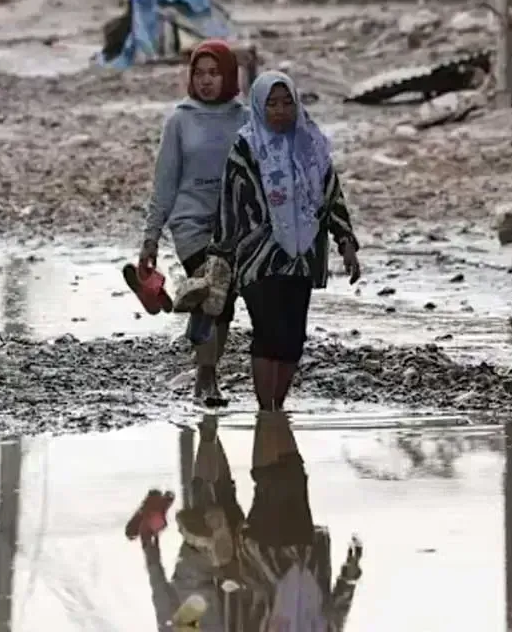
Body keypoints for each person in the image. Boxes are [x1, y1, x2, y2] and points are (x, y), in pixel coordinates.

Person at [207, 71, 361, 411]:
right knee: (268, 332)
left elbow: (331, 194)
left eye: (287, 103)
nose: (280, 110)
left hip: (303, 257)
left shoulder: (311, 146)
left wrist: (345, 242)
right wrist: (220, 258)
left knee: (293, 340)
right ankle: (267, 413)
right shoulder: (245, 148)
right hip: (257, 257)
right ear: (259, 107)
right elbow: (229, 206)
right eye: (272, 104)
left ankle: (278, 407)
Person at [140, 40, 248, 405]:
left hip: (232, 226)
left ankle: (204, 360)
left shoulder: (245, 120)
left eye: (214, 74)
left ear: (229, 76)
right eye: (199, 74)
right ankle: (207, 377)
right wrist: (151, 237)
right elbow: (165, 181)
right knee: (213, 289)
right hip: (190, 223)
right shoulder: (180, 121)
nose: (206, 81)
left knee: (224, 303)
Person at [228, 411, 363, 630]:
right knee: (295, 476)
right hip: (304, 555)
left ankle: (267, 412)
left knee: (271, 484)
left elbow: (238, 613)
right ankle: (274, 411)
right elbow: (336, 615)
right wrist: (349, 573)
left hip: (268, 558)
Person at [135, 414, 243, 630]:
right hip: (197, 568)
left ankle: (209, 429)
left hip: (229, 575)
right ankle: (208, 429)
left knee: (223, 495)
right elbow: (160, 594)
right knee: (207, 496)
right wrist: (149, 546)